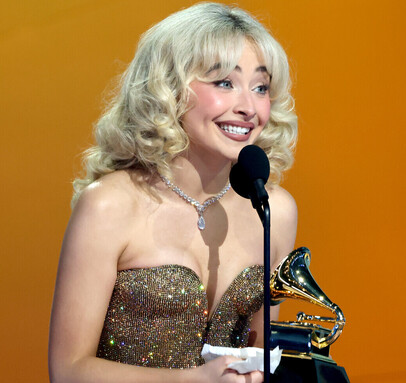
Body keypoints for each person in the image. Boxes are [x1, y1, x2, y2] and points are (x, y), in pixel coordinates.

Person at [48, 3, 298, 382]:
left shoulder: (274, 210)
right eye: (224, 83)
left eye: (260, 87)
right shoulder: (109, 205)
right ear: (168, 88)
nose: (249, 107)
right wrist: (187, 381)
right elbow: (68, 371)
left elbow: (262, 356)